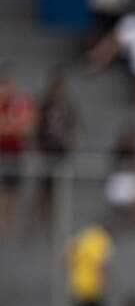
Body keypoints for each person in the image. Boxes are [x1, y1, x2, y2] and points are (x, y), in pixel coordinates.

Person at [35, 69, 80, 219]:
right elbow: (37, 127)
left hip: (61, 153)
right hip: (46, 153)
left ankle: (55, 222)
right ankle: (41, 219)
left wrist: (72, 141)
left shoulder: (69, 107)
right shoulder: (44, 105)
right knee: (44, 191)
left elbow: (74, 128)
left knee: (59, 190)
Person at [0, 65, 35, 236]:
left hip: (15, 154)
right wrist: (12, 127)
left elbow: (28, 128)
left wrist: (10, 127)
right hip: (2, 153)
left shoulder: (21, 102)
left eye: (10, 84)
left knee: (12, 189)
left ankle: (8, 222)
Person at [67, 221, 113, 306]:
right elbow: (101, 264)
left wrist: (74, 271)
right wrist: (103, 281)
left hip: (77, 285)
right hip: (93, 287)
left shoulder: (83, 237)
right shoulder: (103, 240)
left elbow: (67, 255)